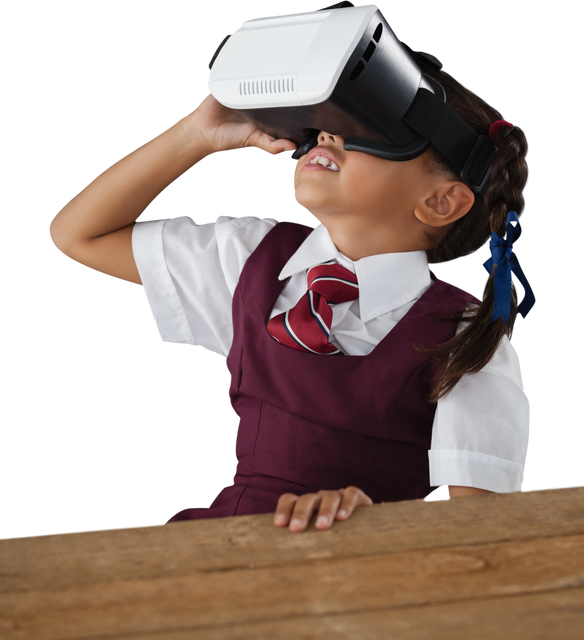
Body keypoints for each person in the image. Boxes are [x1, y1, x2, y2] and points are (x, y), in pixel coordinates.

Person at [47, 50, 535, 534]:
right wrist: (196, 135)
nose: (327, 134)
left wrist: (379, 524)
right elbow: (77, 236)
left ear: (441, 201)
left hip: (354, 587)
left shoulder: (469, 339)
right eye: (328, 120)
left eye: (372, 129)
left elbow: (479, 536)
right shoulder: (251, 256)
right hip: (205, 550)